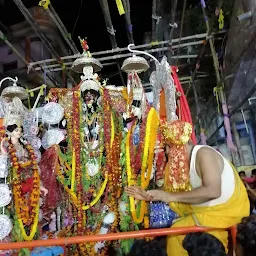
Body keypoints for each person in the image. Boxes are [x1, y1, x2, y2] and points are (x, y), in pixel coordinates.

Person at [125, 120, 250, 256]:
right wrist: (147, 195)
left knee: (180, 236)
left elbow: (213, 191)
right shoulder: (180, 164)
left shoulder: (204, 154)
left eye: (168, 147)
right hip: (206, 214)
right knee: (176, 234)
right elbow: (172, 191)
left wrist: (170, 197)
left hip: (226, 215)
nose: (167, 153)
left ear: (178, 145)